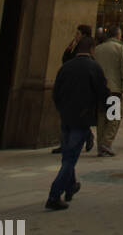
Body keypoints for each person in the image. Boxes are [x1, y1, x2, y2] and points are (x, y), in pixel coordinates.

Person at [45, 36, 107, 211]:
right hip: (82, 119)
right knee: (70, 158)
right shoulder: (94, 67)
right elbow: (103, 93)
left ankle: (70, 186)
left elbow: (56, 93)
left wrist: (63, 110)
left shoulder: (65, 67)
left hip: (66, 118)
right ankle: (54, 195)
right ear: (92, 49)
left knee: (67, 154)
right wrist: (111, 114)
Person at [50, 26, 95, 154]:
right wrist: (68, 50)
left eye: (78, 33)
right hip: (71, 86)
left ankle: (82, 137)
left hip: (81, 88)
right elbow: (66, 62)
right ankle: (66, 143)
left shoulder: (87, 48)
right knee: (68, 117)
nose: (76, 35)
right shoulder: (75, 46)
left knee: (75, 118)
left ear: (84, 35)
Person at [94, 25, 123, 156]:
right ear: (118, 35)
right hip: (114, 89)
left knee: (102, 118)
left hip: (100, 90)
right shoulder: (120, 48)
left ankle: (100, 145)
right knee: (114, 117)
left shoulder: (97, 49)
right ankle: (107, 142)